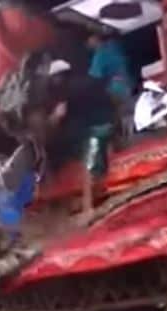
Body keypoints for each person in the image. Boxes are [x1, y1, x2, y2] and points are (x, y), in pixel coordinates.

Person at [45, 59, 117, 214]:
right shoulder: (88, 80)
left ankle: (88, 206)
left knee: (87, 165)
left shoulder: (67, 91)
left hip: (94, 131)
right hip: (108, 124)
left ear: (58, 77)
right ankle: (100, 191)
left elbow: (60, 116)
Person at [87, 32, 134, 105]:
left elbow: (95, 78)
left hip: (121, 87)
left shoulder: (99, 56)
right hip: (127, 82)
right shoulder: (113, 44)